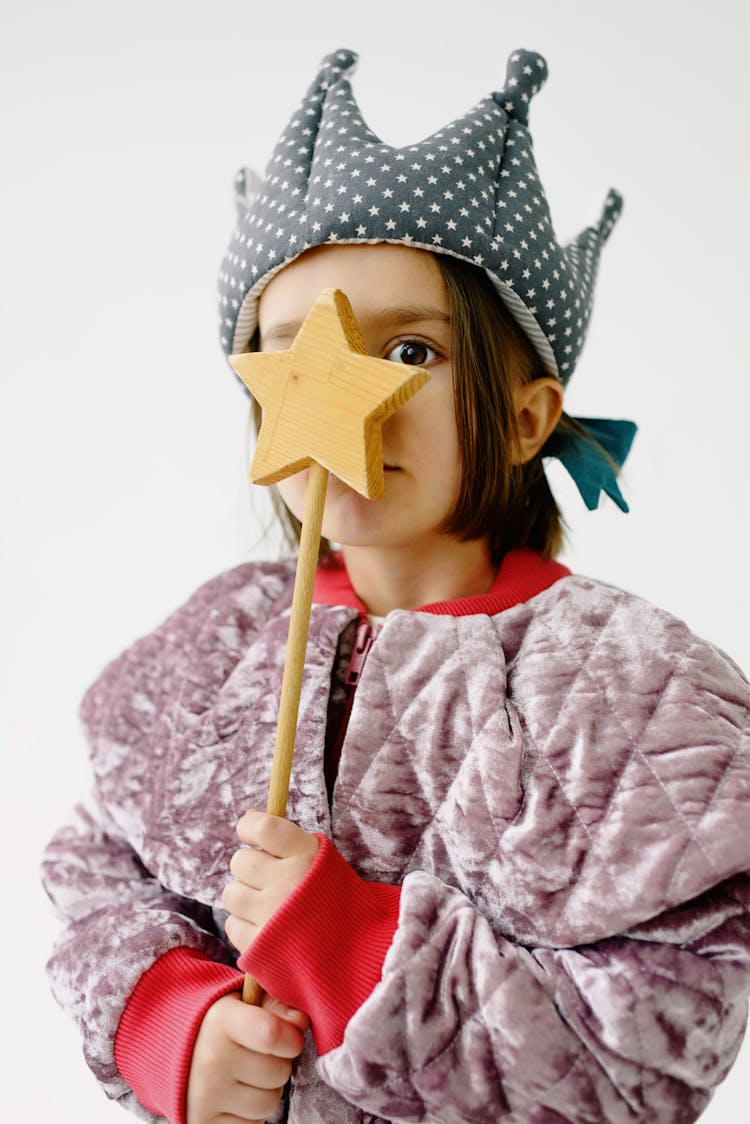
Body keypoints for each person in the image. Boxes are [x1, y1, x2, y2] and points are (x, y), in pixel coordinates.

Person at [42, 47, 750, 1124]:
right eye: (295, 355)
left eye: (410, 350)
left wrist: (352, 943)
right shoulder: (216, 644)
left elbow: (655, 1039)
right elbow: (96, 870)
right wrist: (166, 1020)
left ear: (526, 414)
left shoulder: (635, 692)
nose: (350, 403)